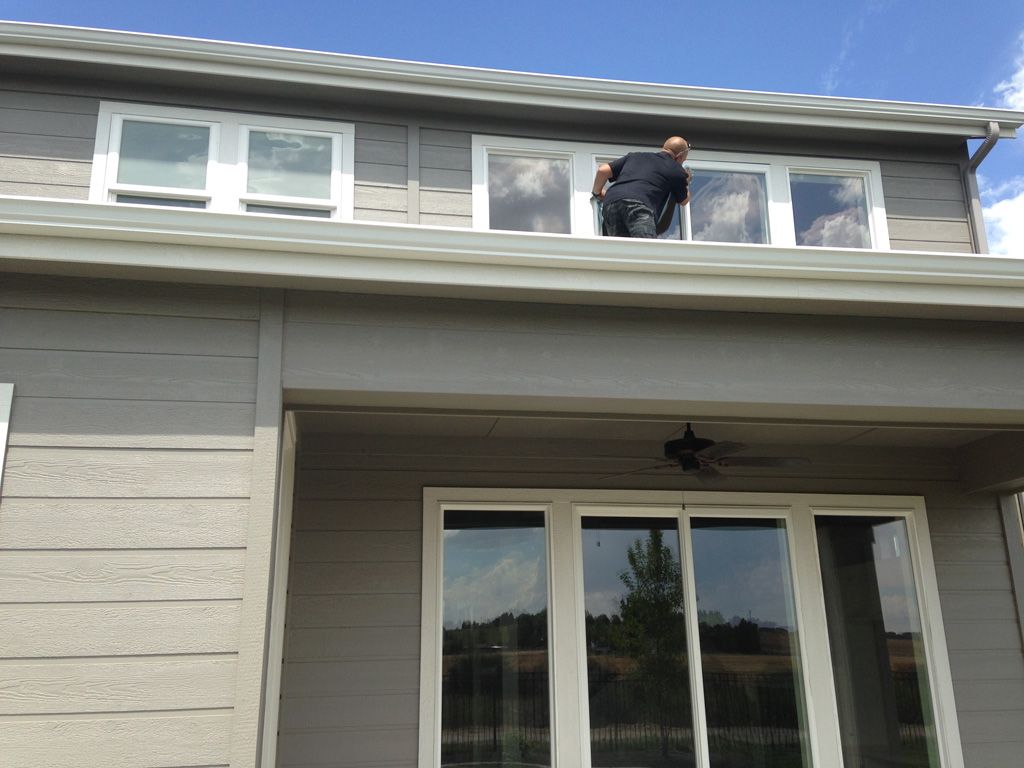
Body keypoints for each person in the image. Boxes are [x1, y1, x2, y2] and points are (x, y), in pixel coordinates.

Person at [592, 137, 692, 238]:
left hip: (611, 204)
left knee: (622, 249)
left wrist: (597, 193)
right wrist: (686, 181)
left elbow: (602, 170)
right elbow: (684, 201)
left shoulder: (636, 156)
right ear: (678, 157)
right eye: (683, 160)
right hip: (638, 206)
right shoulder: (676, 169)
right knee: (645, 248)